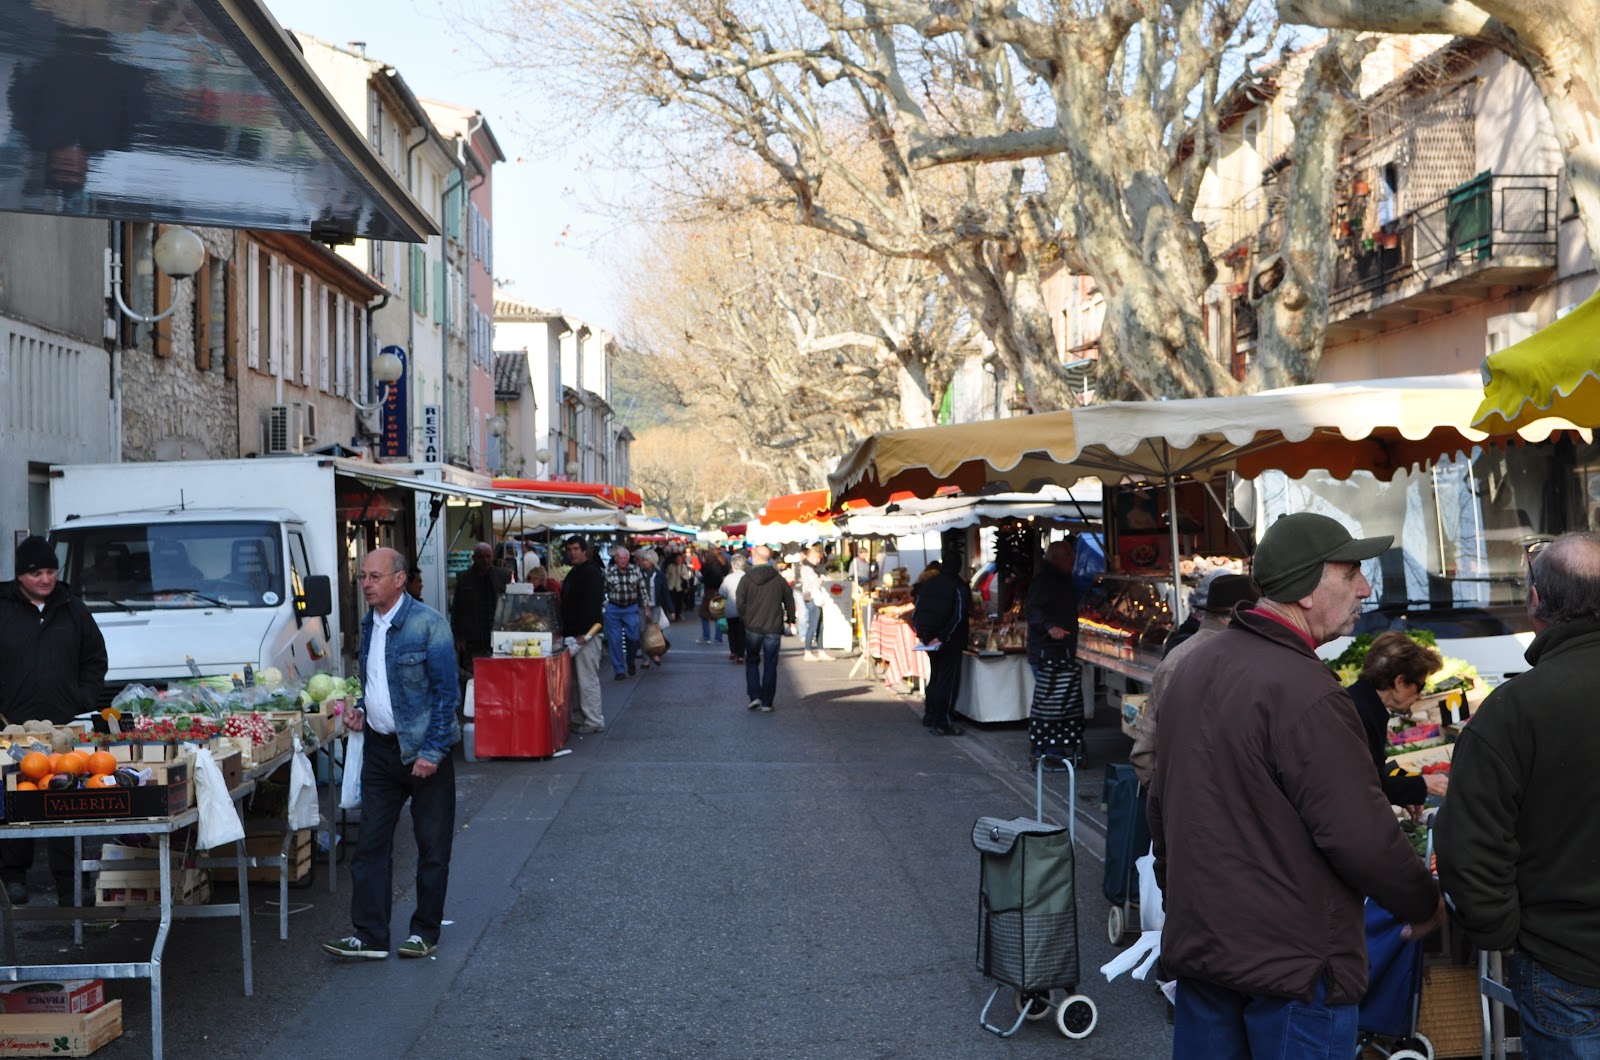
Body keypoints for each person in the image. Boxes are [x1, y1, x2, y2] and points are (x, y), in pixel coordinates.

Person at [1149, 513, 1443, 1058]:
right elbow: (1361, 835)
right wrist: (1423, 902)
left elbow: (1162, 806)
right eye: (1351, 570)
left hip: (1207, 947)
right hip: (1293, 966)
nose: (1364, 587)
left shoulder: (1194, 666)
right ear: (1308, 589)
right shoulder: (1308, 692)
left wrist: (1184, 904)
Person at [1436, 532, 1600, 1057]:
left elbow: (1467, 843)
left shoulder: (1513, 708)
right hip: (1561, 959)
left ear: (1535, 602)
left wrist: (1499, 930)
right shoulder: (1514, 710)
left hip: (1560, 960)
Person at [324, 547, 460, 961]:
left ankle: (424, 932)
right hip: (382, 751)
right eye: (362, 576)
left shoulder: (428, 625)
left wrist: (432, 751)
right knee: (370, 845)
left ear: (399, 580)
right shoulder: (370, 624)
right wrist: (362, 711)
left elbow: (446, 695)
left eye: (374, 576)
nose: (365, 583)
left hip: (424, 754)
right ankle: (370, 935)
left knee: (431, 847)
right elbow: (378, 684)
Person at [0, 536, 108, 906]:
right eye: (36, 573)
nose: (45, 579)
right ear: (20, 576)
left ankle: (70, 883)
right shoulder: (2, 608)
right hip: (10, 729)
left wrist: (83, 698)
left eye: (50, 571)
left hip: (64, 728)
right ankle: (13, 878)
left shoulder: (72, 609)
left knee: (65, 803)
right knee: (15, 801)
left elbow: (95, 659)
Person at [1129, 572, 1257, 786]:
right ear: (1234, 616)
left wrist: (1165, 803)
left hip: (1181, 799)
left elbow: (1144, 753)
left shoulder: (1174, 660)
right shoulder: (1252, 659)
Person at [1347, 632, 1448, 815]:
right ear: (1400, 681)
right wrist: (1423, 784)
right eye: (1420, 686)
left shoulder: (1362, 701)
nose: (1420, 696)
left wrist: (1402, 793)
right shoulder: (1362, 713)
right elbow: (1367, 785)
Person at [1025, 540, 1084, 763]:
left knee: (1059, 701)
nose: (1074, 557)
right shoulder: (1045, 581)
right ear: (1055, 557)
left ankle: (1051, 745)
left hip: (1061, 650)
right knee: (1050, 702)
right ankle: (1049, 747)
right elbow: (1033, 610)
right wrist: (1050, 627)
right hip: (1046, 651)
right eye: (1068, 554)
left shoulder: (1063, 579)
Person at [911, 560, 970, 736]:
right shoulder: (958, 585)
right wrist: (943, 637)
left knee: (935, 676)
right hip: (950, 640)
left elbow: (917, 612)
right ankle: (942, 721)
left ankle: (930, 714)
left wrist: (925, 635)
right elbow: (959, 615)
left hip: (930, 639)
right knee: (947, 680)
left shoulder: (928, 584)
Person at [736, 545, 795, 712]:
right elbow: (789, 600)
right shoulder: (778, 579)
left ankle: (755, 696)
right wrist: (791, 620)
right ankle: (767, 702)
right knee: (770, 663)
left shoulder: (746, 579)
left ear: (754, 557)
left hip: (752, 626)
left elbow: (740, 602)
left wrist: (745, 618)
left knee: (752, 661)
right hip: (773, 626)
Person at [559, 536, 606, 734]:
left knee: (587, 679)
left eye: (576, 549)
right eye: (569, 549)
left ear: (584, 550)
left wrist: (585, 633)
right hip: (575, 634)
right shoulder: (575, 573)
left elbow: (593, 606)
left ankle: (594, 719)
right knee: (577, 681)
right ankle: (580, 717)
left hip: (586, 634)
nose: (572, 552)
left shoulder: (591, 573)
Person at [450, 542, 505, 674]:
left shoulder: (503, 576)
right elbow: (456, 609)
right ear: (474, 558)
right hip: (472, 639)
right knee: (473, 676)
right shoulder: (464, 578)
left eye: (488, 556)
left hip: (497, 636)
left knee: (496, 673)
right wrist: (457, 637)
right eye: (481, 556)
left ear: (492, 558)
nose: (485, 560)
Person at [602, 545, 650, 681]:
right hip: (613, 609)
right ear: (616, 559)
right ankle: (619, 670)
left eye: (625, 558)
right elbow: (603, 590)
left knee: (634, 638)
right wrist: (605, 604)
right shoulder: (608, 571)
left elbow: (642, 589)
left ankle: (630, 660)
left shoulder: (636, 570)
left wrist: (646, 606)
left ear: (629, 559)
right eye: (620, 558)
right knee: (615, 641)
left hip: (630, 608)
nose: (622, 560)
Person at [634, 547, 673, 669]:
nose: (643, 562)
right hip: (641, 607)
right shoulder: (638, 574)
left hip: (655, 606)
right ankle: (646, 659)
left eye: (646, 560)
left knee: (654, 631)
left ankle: (655, 653)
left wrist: (671, 609)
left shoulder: (660, 576)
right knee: (642, 632)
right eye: (643, 560)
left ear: (652, 561)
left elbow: (665, 593)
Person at [798, 545, 830, 661]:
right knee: (813, 624)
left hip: (815, 597)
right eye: (816, 558)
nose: (818, 561)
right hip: (811, 598)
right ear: (811, 557)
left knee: (819, 625)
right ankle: (808, 651)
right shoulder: (806, 568)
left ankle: (820, 650)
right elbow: (812, 584)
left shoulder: (812, 567)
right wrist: (821, 579)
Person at [720, 553, 749, 663]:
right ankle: (741, 654)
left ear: (733, 565)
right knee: (742, 632)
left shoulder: (728, 578)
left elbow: (722, 592)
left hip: (730, 608)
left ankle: (733, 651)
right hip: (745, 609)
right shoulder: (748, 577)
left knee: (732, 631)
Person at [698, 548, 727, 645]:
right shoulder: (719, 565)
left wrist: (702, 579)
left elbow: (710, 579)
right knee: (716, 614)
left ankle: (707, 636)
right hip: (716, 592)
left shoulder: (711, 568)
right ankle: (717, 637)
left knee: (704, 614)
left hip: (711, 592)